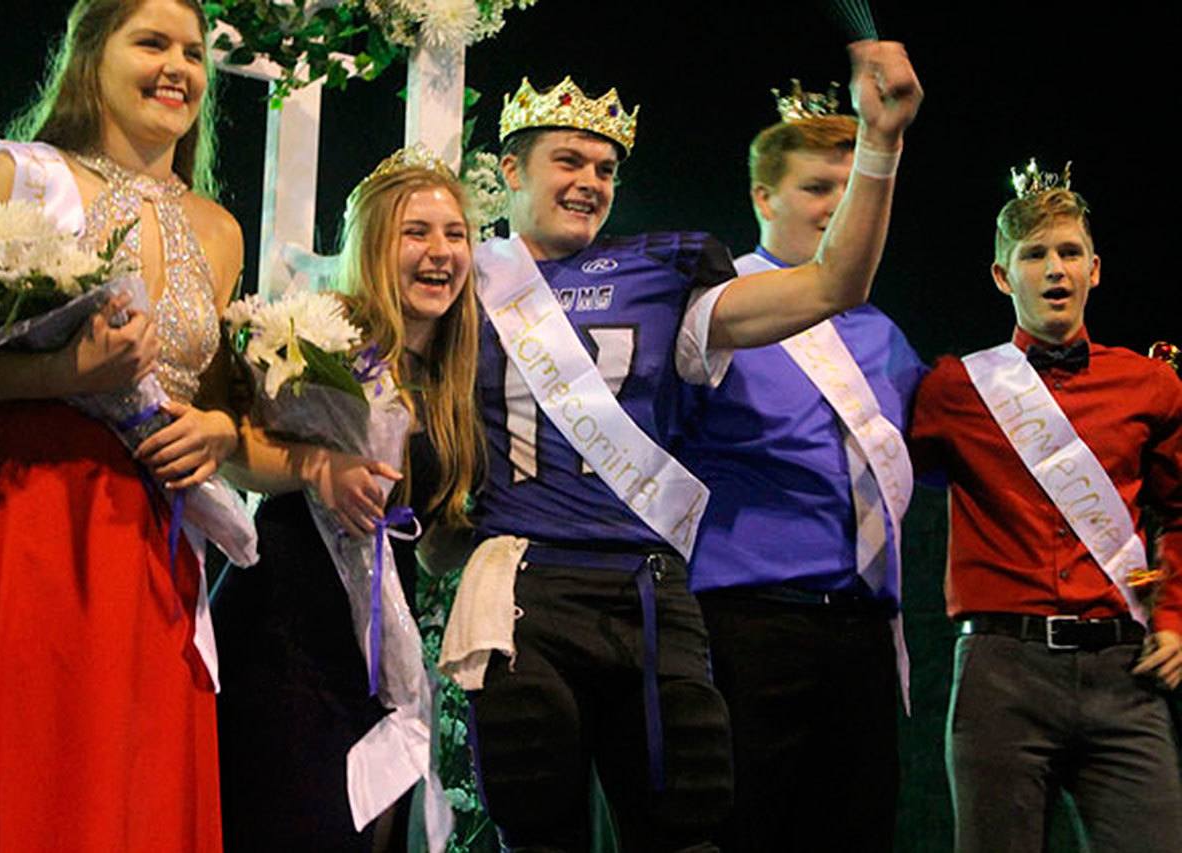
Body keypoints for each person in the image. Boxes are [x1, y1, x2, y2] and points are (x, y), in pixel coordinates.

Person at [439, 40, 922, 852]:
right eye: (569, 159)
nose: (590, 181)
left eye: (605, 166)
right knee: (537, 835)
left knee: (688, 833)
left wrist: (882, 144)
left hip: (649, 592)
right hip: (525, 587)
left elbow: (835, 282)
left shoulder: (660, 272)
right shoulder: (461, 278)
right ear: (511, 171)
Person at [0, 0, 243, 848]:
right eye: (153, 42)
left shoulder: (221, 229)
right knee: (29, 770)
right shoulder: (24, 173)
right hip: (31, 517)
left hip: (156, 544)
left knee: (133, 781)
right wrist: (67, 372)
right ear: (93, 55)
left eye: (194, 53)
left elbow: (223, 399)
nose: (178, 67)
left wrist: (221, 433)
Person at [211, 147, 482, 852]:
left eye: (455, 234)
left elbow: (435, 537)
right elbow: (234, 448)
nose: (440, 252)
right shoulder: (324, 334)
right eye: (416, 232)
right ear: (372, 243)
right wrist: (319, 465)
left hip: (376, 655)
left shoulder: (454, 377)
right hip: (284, 632)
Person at [679, 81, 925, 852]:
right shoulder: (717, 311)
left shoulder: (887, 336)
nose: (837, 205)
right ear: (763, 195)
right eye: (817, 187)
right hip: (748, 623)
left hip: (863, 632)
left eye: (852, 189)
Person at [908, 160, 1182, 852]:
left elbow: (1178, 513)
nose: (1054, 268)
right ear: (1004, 275)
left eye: (1069, 252)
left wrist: (1175, 618)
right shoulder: (954, 387)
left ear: (1096, 268)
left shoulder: (1151, 384)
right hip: (1003, 672)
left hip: (1125, 674)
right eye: (1035, 254)